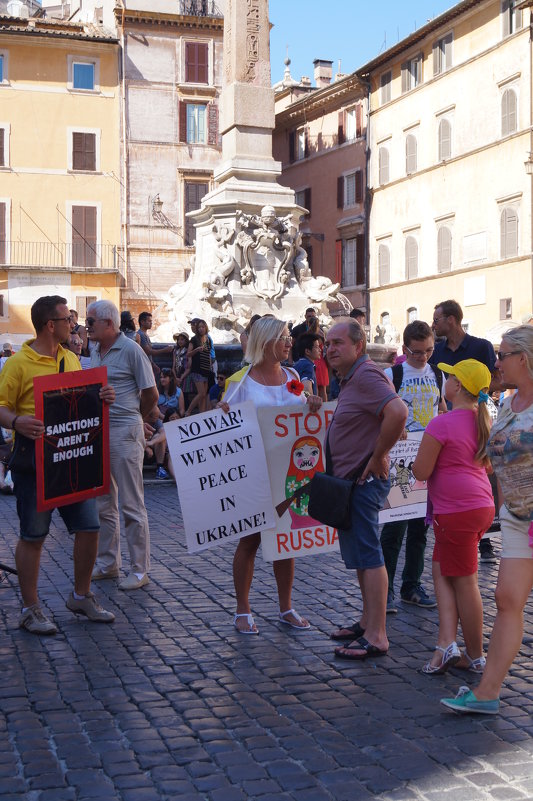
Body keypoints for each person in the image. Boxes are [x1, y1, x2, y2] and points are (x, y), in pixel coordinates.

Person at [0, 295, 115, 634]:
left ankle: (81, 595)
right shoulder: (18, 364)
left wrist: (101, 397)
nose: (74, 325)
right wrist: (18, 421)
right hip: (34, 461)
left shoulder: (71, 358)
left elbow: (77, 404)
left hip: (71, 458)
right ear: (51, 325)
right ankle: (30, 607)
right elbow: (1, 407)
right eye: (68, 320)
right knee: (33, 535)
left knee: (90, 528)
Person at [440, 327, 533, 714]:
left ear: (524, 359)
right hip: (515, 516)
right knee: (506, 599)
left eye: (504, 355)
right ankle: (487, 692)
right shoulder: (509, 403)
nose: (497, 362)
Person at [219, 316, 323, 634]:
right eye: (283, 337)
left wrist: (313, 403)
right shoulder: (240, 382)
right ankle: (242, 609)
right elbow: (224, 426)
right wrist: (222, 414)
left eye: (289, 336)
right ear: (265, 342)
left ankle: (286, 607)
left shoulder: (292, 377)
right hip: (254, 473)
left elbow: (302, 404)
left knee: (287, 541)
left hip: (288, 474)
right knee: (249, 540)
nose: (289, 342)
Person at [326, 319, 407, 660]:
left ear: (358, 346)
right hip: (352, 481)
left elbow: (398, 412)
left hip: (363, 480)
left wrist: (377, 456)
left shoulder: (367, 375)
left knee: (370, 556)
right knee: (362, 555)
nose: (330, 348)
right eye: (327, 343)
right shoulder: (352, 378)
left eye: (338, 343)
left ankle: (377, 635)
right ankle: (366, 621)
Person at [412, 359, 494, 675]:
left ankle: (475, 656)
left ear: (457, 386)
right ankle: (448, 643)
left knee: (466, 581)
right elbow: (484, 466)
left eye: (449, 377)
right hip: (479, 505)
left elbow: (421, 471)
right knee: (441, 568)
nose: (444, 380)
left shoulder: (442, 424)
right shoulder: (481, 420)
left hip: (455, 511)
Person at [88, 300, 158, 590]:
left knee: (131, 502)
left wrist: (135, 418)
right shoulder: (94, 349)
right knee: (103, 503)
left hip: (123, 431)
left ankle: (140, 569)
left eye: (91, 321)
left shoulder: (131, 349)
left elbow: (151, 394)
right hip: (101, 431)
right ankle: (108, 563)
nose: (86, 325)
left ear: (108, 324)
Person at [380, 320, 444, 613]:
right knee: (394, 528)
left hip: (428, 458)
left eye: (429, 350)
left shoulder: (438, 375)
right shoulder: (392, 374)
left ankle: (411, 585)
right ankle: (385, 588)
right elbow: (378, 412)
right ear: (405, 349)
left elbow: (441, 411)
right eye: (417, 352)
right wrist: (394, 427)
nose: (424, 357)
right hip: (399, 460)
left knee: (420, 527)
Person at [430, 299, 498, 563]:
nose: (434, 324)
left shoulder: (480, 346)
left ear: (451, 319)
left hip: (479, 414)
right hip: (449, 416)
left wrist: (477, 408)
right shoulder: (437, 351)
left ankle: (487, 538)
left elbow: (491, 380)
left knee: (481, 464)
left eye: (437, 319)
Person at [184, 319, 212, 416]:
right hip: (197, 369)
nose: (201, 329)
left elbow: (209, 354)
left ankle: (202, 415)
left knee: (204, 395)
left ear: (206, 328)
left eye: (202, 327)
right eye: (199, 327)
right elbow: (188, 354)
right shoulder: (194, 339)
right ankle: (188, 411)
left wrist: (210, 366)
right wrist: (196, 350)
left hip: (206, 369)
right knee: (201, 393)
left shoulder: (207, 339)